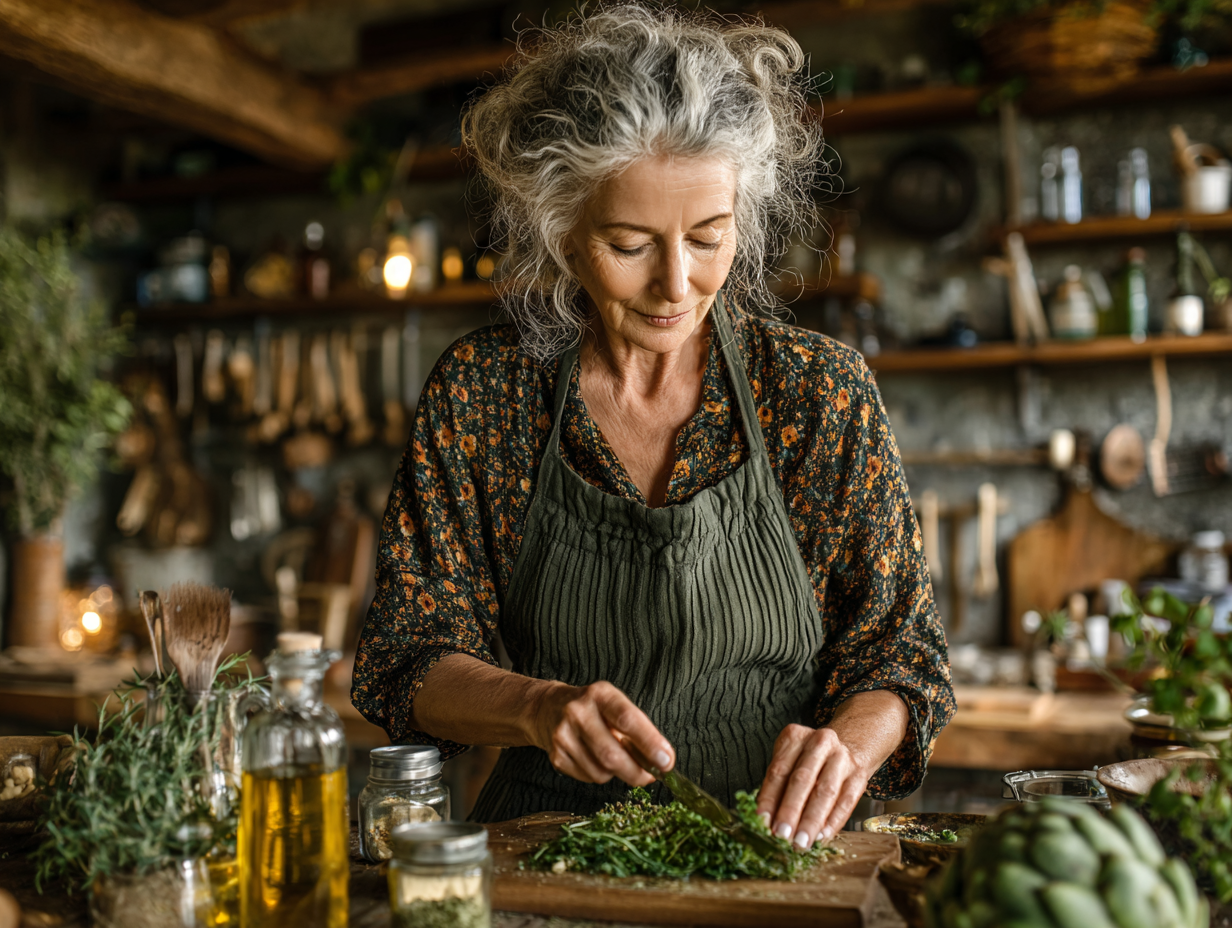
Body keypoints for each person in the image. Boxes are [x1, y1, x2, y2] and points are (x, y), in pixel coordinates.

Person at [353, 3, 953, 852]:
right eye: (631, 244)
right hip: (554, 851)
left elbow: (899, 653)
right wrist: (536, 706)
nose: (677, 284)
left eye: (709, 237)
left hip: (780, 851)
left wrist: (846, 748)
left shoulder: (819, 395)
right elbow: (407, 656)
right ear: (561, 229)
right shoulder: (485, 395)